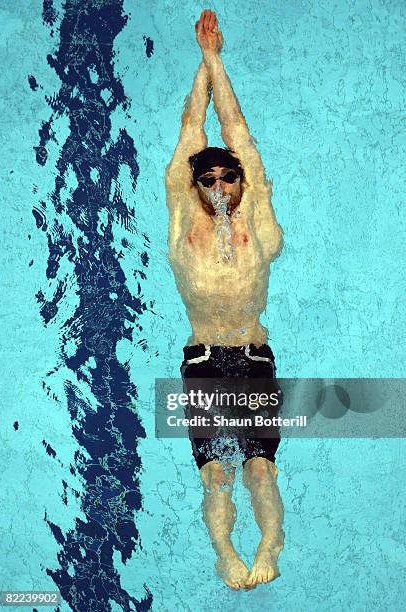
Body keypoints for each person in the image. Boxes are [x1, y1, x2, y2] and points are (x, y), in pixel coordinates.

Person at [165, 9, 285, 590]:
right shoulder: (184, 219)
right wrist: (200, 68)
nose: (217, 186)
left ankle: (270, 540)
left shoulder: (257, 220)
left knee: (261, 471)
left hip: (255, 357)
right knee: (216, 475)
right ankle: (224, 551)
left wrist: (217, 59)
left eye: (226, 177)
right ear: (195, 186)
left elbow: (239, 136)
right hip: (205, 361)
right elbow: (194, 128)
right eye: (207, 179)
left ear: (241, 182)